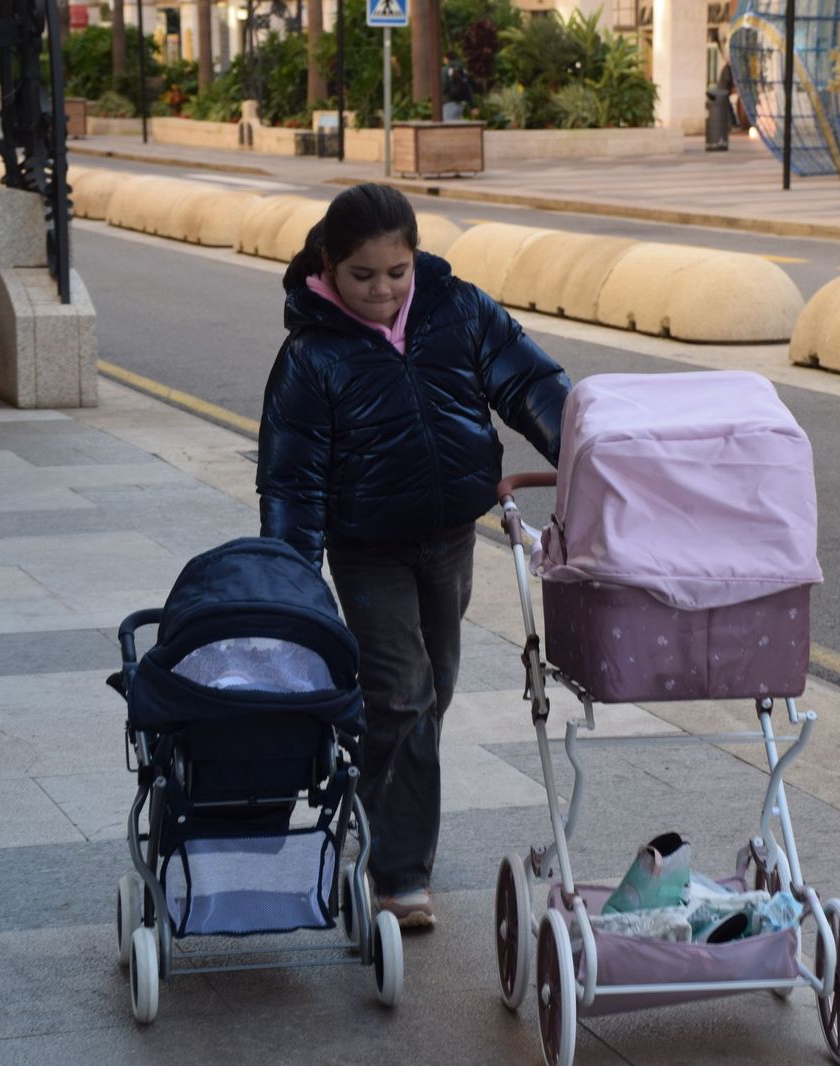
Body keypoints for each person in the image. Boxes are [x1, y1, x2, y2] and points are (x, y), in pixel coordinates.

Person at [259, 183, 569, 929]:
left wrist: (589, 455)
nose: (382, 290)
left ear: (414, 256)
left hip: (449, 538)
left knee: (433, 692)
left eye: (395, 272)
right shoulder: (311, 355)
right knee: (400, 697)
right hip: (366, 551)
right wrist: (291, 587)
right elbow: (291, 482)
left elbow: (528, 380)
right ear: (328, 265)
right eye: (362, 276)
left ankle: (367, 812)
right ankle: (399, 876)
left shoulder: (454, 308)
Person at [440, 51, 474, 122]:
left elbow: (444, 87)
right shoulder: (463, 70)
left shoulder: (445, 70)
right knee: (456, 125)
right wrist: (472, 105)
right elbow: (468, 88)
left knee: (449, 127)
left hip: (448, 102)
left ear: (446, 59)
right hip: (460, 103)